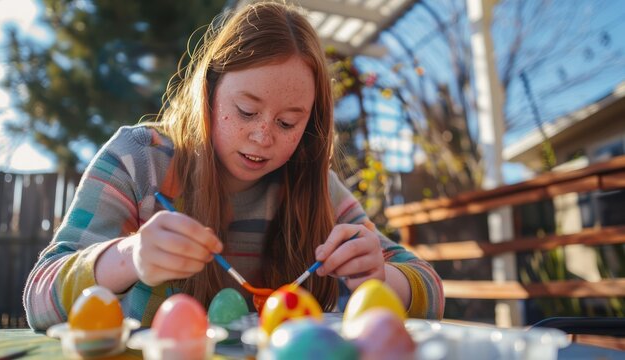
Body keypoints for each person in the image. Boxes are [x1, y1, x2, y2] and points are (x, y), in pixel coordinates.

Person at [23, 1, 444, 330]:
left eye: (287, 122)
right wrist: (130, 257)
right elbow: (39, 297)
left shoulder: (314, 188)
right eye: (245, 111)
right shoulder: (139, 161)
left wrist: (382, 277)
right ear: (209, 91)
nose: (263, 137)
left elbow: (431, 290)